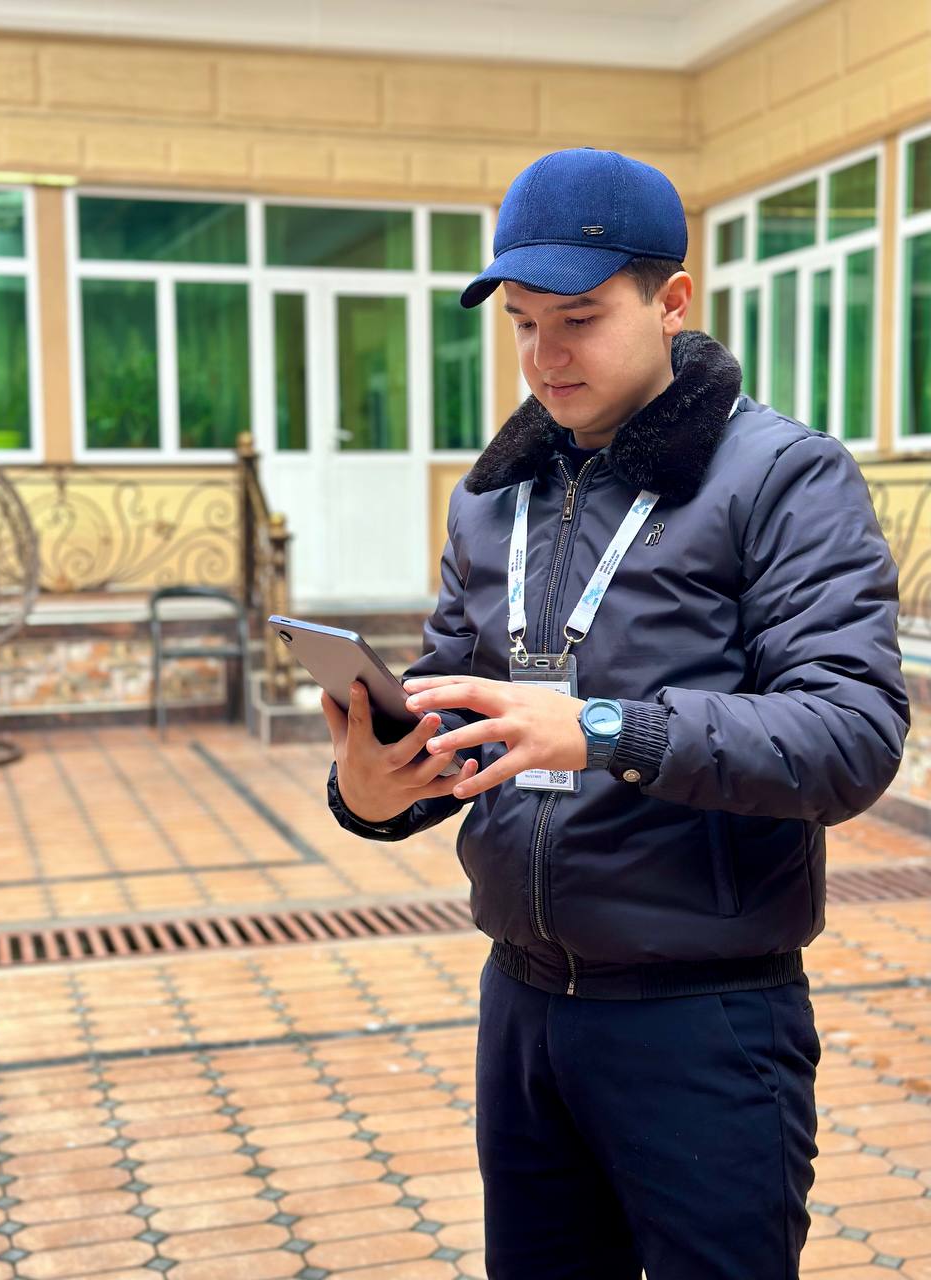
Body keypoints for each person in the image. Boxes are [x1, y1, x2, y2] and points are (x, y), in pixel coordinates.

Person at [322, 147, 910, 1280]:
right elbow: (453, 705)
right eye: (523, 324)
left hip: (706, 1017)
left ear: (671, 301)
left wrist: (602, 730)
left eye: (580, 320)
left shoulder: (783, 476)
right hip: (523, 1007)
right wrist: (374, 789)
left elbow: (851, 734)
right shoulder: (495, 498)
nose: (546, 357)